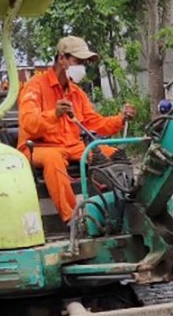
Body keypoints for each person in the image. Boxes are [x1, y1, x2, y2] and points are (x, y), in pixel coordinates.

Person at [17, 35, 136, 223]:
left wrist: (120, 119)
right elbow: (28, 125)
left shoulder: (76, 93)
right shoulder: (35, 86)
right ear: (62, 58)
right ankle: (73, 219)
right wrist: (54, 114)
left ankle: (120, 209)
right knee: (53, 160)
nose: (82, 66)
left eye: (85, 62)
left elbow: (95, 123)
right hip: (39, 147)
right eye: (78, 61)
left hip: (72, 146)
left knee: (112, 155)